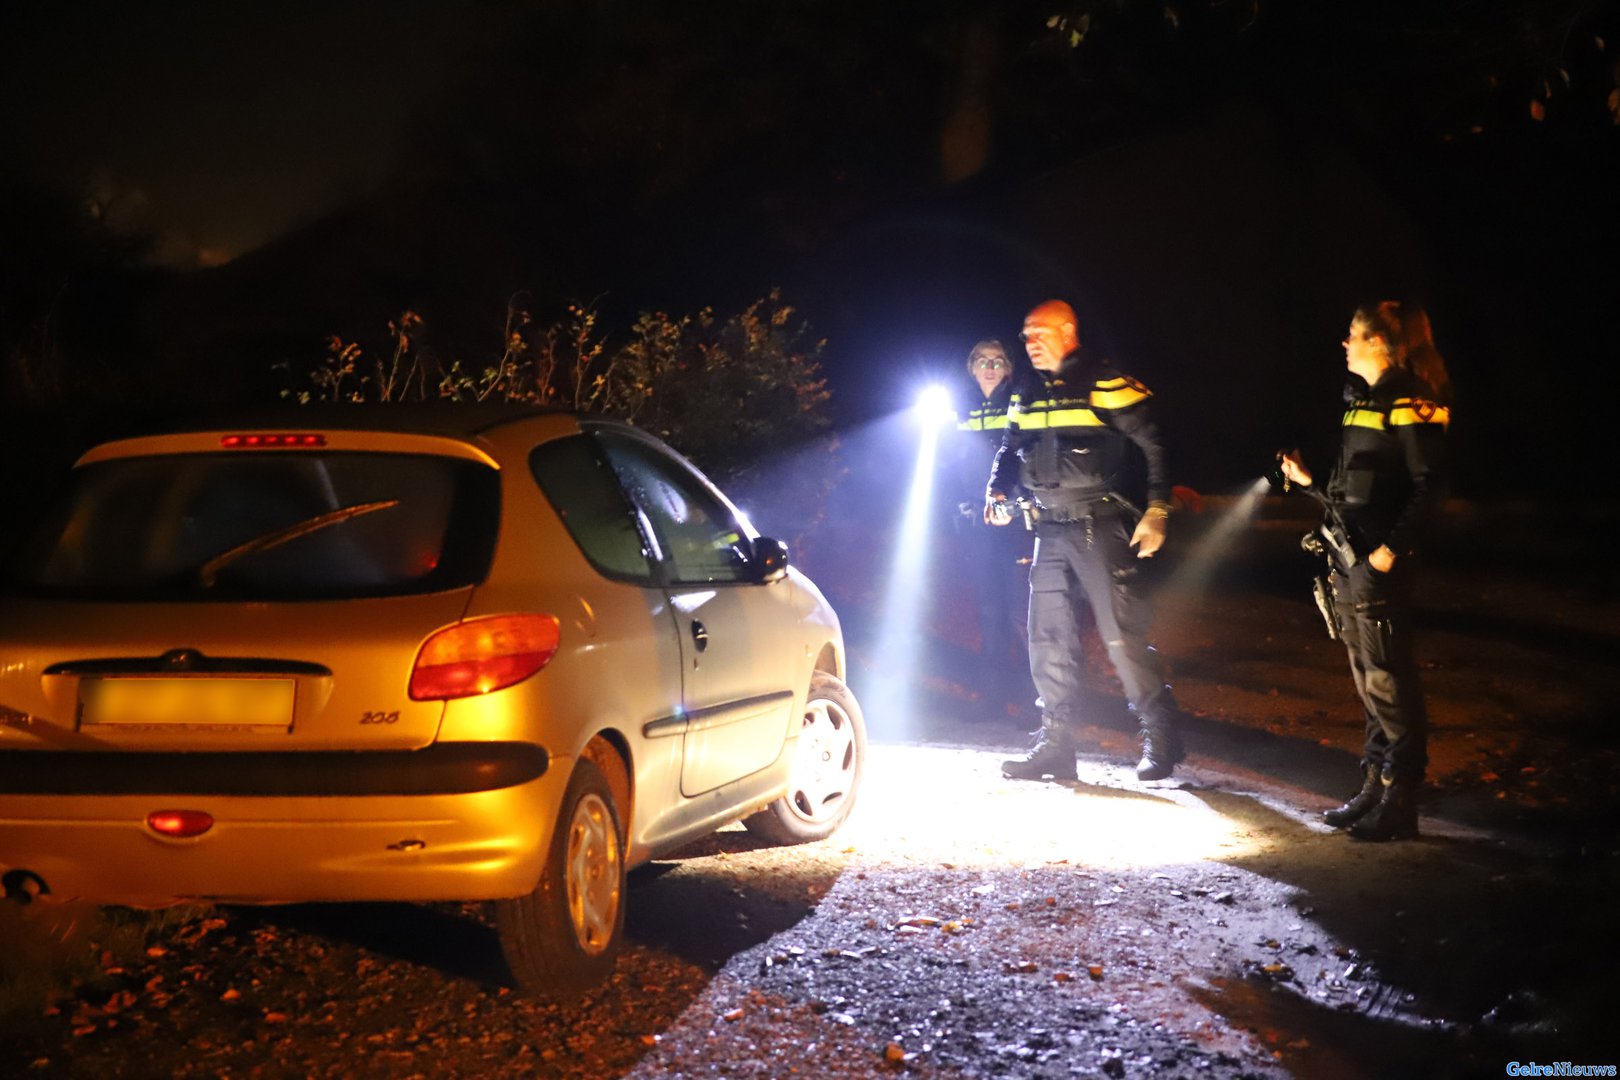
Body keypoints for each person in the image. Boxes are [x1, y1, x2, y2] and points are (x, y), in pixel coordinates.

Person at [987, 299, 1183, 782]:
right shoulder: (1024, 391)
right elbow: (1009, 449)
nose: (1030, 343)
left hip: (1101, 525)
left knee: (1121, 636)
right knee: (1047, 637)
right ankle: (1056, 745)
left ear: (1068, 332)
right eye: (1025, 335)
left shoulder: (1105, 381)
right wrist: (996, 490)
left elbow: (1157, 443)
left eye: (1039, 333)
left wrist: (1157, 510)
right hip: (1048, 529)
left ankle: (1160, 736)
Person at [1278, 301, 1452, 841]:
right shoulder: (1362, 402)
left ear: (1379, 343)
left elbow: (1431, 486)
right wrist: (1309, 482)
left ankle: (1401, 800)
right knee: (1368, 679)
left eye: (1353, 335)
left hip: (1377, 566)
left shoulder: (1412, 401)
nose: (1345, 344)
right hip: (1348, 560)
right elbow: (1354, 490)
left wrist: (1390, 551)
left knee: (1389, 679)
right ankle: (1374, 787)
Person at [943, 340, 1034, 713]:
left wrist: (1019, 502)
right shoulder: (958, 408)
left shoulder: (1021, 400)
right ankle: (993, 698)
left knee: (1020, 612)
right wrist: (956, 503)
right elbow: (947, 462)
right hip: (978, 524)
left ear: (1008, 367)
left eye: (997, 361)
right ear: (972, 367)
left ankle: (1033, 702)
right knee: (989, 609)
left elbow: (1031, 456)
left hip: (1015, 521)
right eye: (983, 361)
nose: (990, 367)